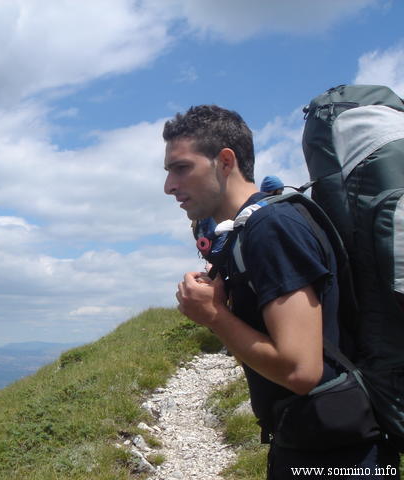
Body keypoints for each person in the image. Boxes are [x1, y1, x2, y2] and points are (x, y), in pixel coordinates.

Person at [162, 104, 400, 479]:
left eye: (181, 168)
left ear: (225, 161)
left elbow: (301, 370)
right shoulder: (252, 228)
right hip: (318, 443)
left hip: (337, 458)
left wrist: (214, 316)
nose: (169, 186)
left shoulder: (271, 227)